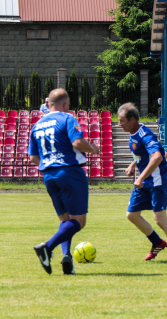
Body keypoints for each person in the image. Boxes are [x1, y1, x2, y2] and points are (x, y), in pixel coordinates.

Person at [29, 89, 100, 275]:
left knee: (65, 219)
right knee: (79, 221)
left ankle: (67, 257)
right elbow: (77, 143)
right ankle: (47, 247)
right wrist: (93, 149)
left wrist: (48, 164)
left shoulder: (36, 125)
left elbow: (33, 157)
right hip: (69, 172)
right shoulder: (67, 119)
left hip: (49, 176)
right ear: (66, 105)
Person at [121, 103, 167, 264]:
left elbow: (157, 157)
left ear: (132, 119)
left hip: (157, 180)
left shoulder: (145, 135)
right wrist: (133, 165)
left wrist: (140, 178)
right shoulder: (134, 132)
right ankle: (157, 242)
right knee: (132, 215)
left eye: (122, 121)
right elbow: (143, 155)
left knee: (160, 219)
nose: (119, 124)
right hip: (146, 180)